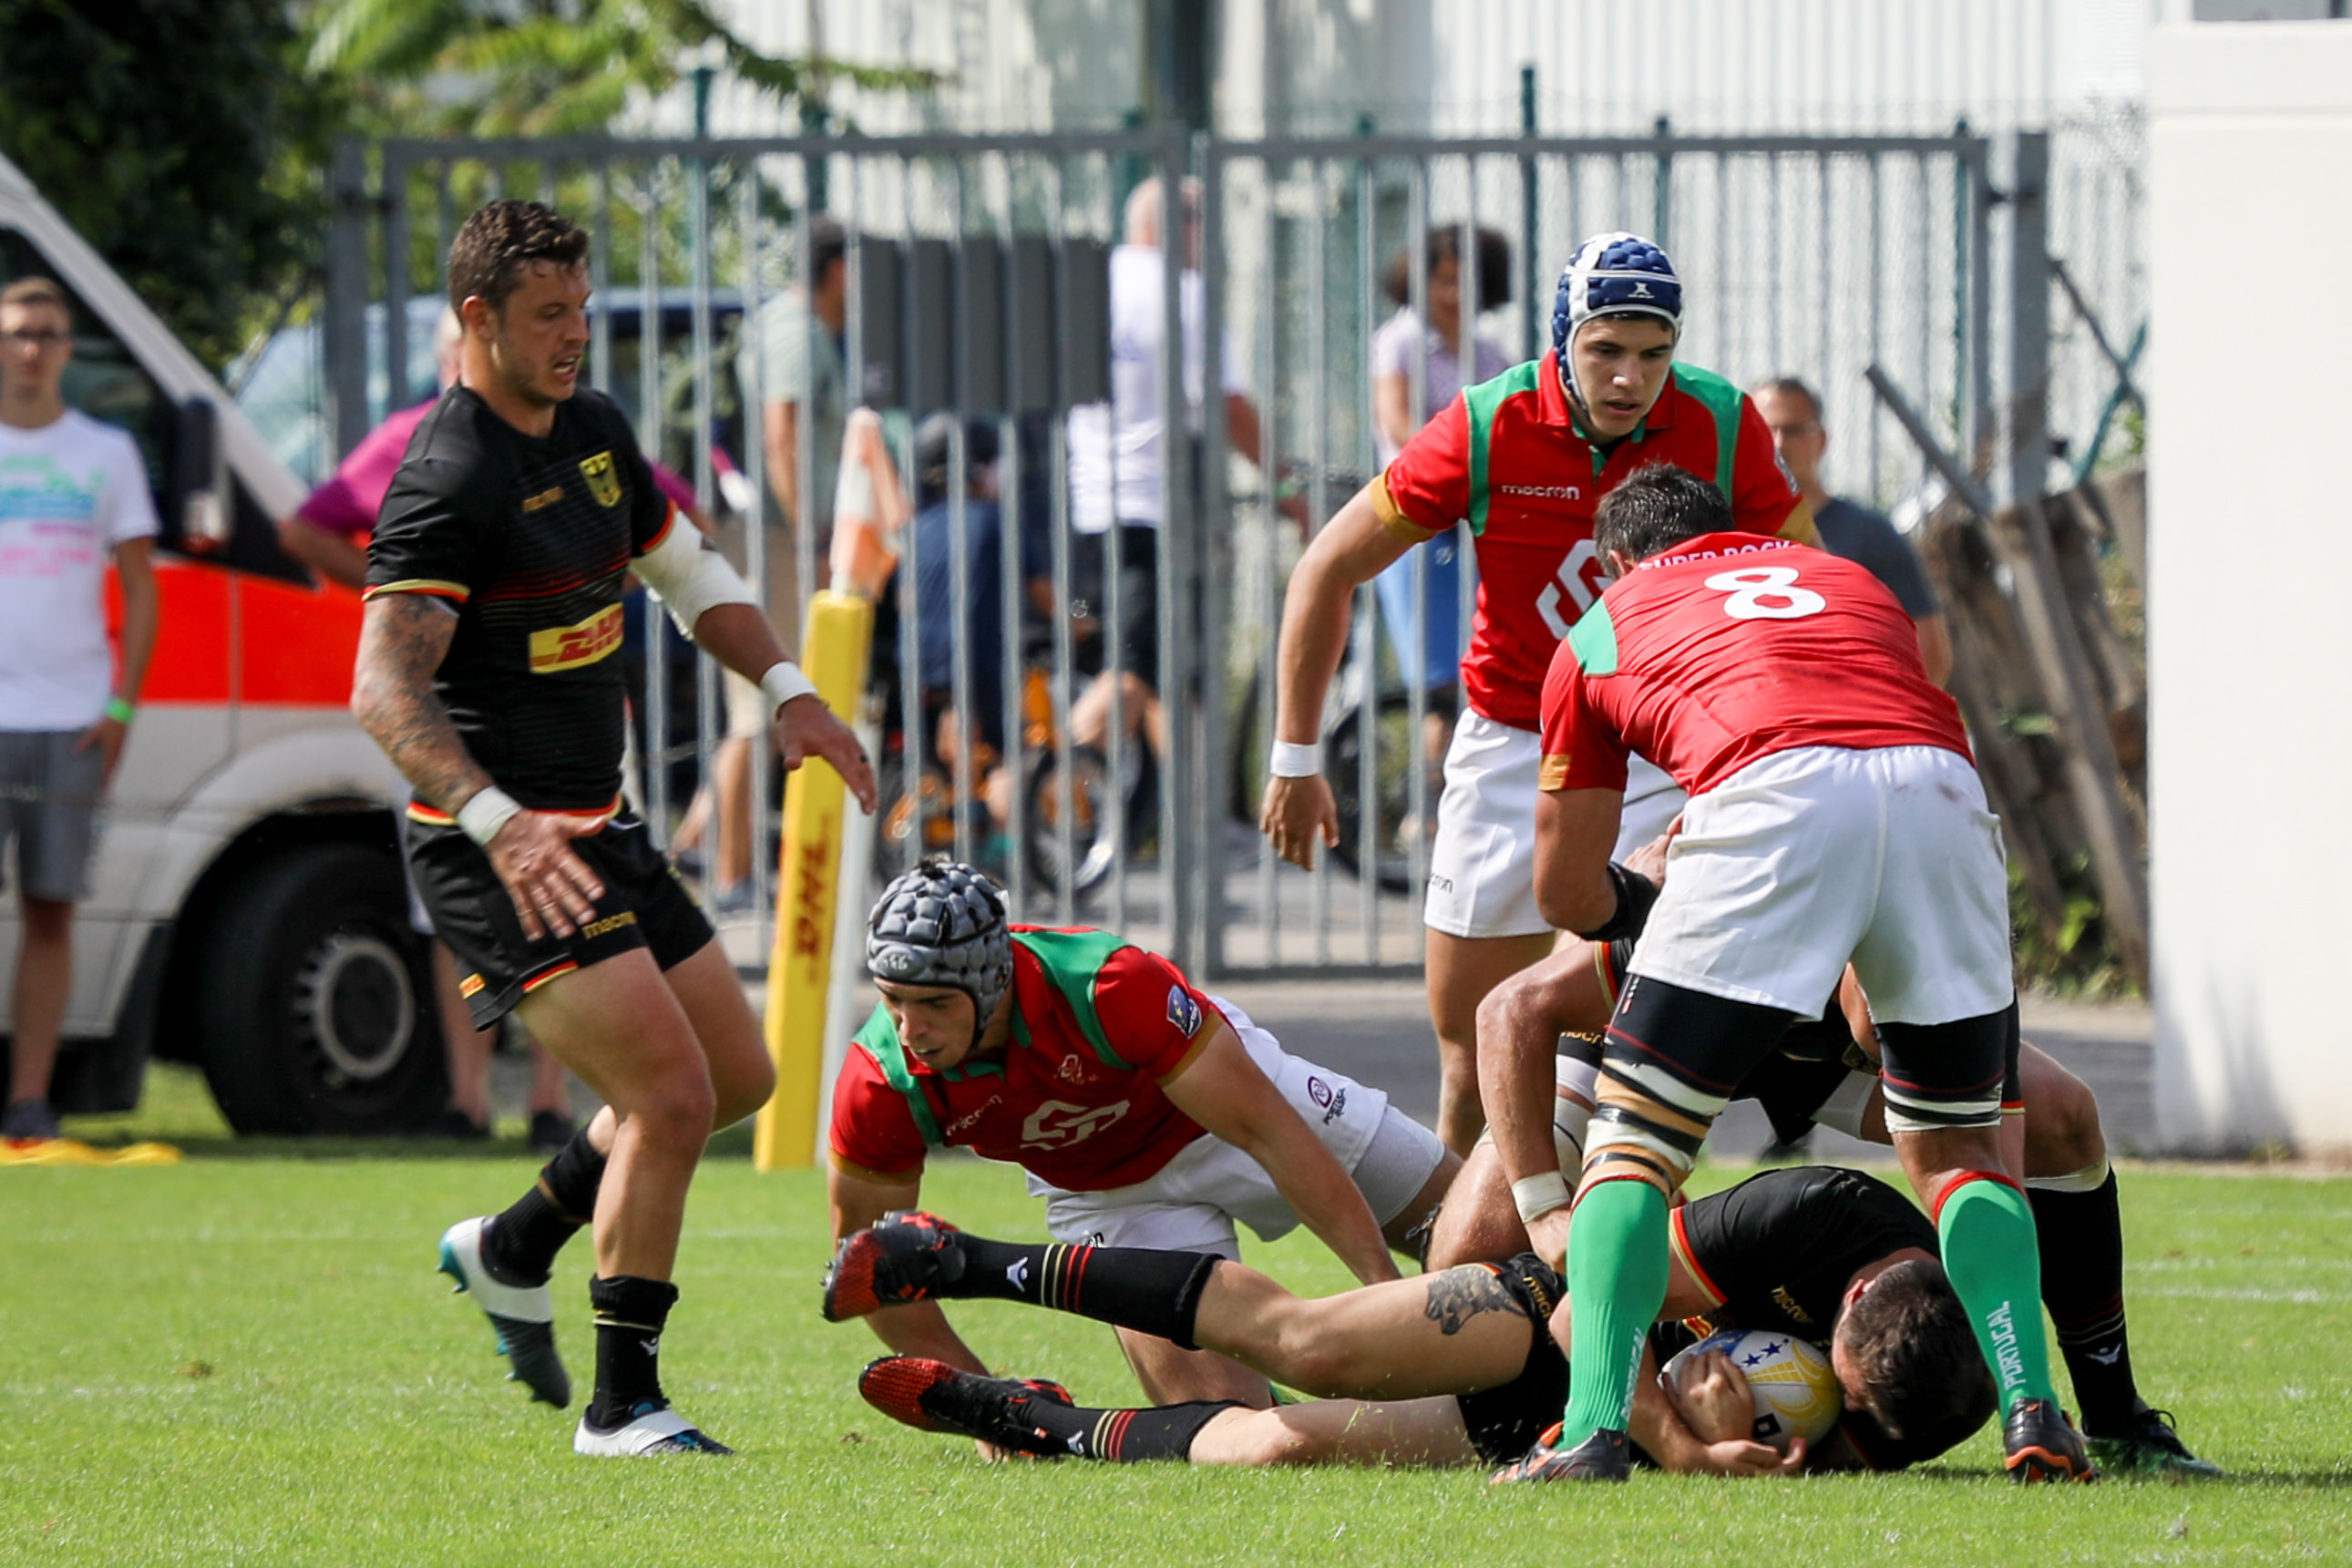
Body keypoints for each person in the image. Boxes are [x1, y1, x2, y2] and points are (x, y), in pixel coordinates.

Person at [352, 200, 875, 1457]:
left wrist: (792, 692)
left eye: (581, 309)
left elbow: (687, 573)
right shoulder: (448, 477)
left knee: (739, 1077)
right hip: (498, 852)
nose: (574, 335)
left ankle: (515, 1242)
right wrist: (500, 824)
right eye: (549, 315)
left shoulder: (591, 428)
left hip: (598, 827)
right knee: (670, 1094)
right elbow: (382, 691)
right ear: (477, 320)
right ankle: (622, 1405)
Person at [1499, 463, 2087, 1483]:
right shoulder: (1844, 574)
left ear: (1613, 563)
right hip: (1940, 791)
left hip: (1771, 791)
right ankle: (2033, 1410)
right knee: (1961, 1151)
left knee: (1633, 1149)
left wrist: (1635, 901)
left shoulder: (1601, 625)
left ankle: (1592, 1429)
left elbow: (1562, 890)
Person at [1260, 232, 1815, 1157]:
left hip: (1651, 755)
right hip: (1510, 744)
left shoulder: (1720, 420)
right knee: (1468, 1057)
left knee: (1614, 1056)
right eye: (1606, 349)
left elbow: (1807, 580)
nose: (1630, 377)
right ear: (1563, 340)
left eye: (1654, 353)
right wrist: (1294, 756)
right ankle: (1465, 1245)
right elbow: (1327, 566)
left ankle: (1603, 1239)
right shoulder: (1488, 421)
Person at [1458, 927, 2219, 1478]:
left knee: (2062, 1114)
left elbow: (1993, 1170)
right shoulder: (1718, 913)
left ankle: (2115, 1417)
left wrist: (1986, 1357)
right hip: (1679, 1016)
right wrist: (1545, 1210)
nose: (1917, 1026)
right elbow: (1508, 1010)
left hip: (1812, 1043)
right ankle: (1586, 1415)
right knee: (1475, 1254)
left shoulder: (1949, 940)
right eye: (1897, 1007)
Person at [837, 1164, 1993, 1476]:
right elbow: (1588, 1306)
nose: (1839, 1398)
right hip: (1558, 1322)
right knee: (1305, 1343)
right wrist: (1682, 1440)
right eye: (1837, 1371)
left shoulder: (1933, 1392)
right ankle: (963, 1258)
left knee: (1274, 1441)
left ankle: (1030, 1418)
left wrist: (1729, 1454)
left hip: (1591, 1434)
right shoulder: (1813, 1214)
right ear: (1853, 1297)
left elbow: (1815, 1468)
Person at [277, 305, 699, 1146]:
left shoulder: (568, 431)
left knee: (576, 894)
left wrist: (579, 584)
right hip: (445, 719)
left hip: (563, 716)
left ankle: (548, 1099)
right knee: (455, 913)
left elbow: (682, 532)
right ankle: (468, 1097)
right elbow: (303, 529)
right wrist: (406, 594)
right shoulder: (416, 441)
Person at [823, 858, 1457, 1409]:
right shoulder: (880, 1080)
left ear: (994, 978)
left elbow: (1267, 1132)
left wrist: (1390, 1305)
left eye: (935, 1003)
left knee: (1478, 1230)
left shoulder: (1107, 983)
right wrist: (984, 1400)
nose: (910, 1029)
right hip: (1112, 1196)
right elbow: (872, 1267)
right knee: (1226, 1421)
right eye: (892, 999)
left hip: (1232, 1117)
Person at [1064, 177, 1296, 773]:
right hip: (1150, 514)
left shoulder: (1090, 286)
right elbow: (1229, 409)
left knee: (1163, 675)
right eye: (1200, 223)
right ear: (1171, 224)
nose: (1207, 241)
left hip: (1086, 512)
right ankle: (1031, 789)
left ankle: (1195, 814)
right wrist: (1289, 490)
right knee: (1133, 674)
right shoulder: (1183, 295)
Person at [0, 277, 159, 1143]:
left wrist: (121, 707)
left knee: (51, 910)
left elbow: (142, 590)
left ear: (68, 350)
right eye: (18, 333)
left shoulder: (105, 452)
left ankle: (30, 1102)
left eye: (48, 334)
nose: (32, 349)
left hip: (71, 718)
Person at [697, 216, 850, 906]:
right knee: (759, 707)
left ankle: (702, 848)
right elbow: (781, 435)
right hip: (776, 537)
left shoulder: (789, 327)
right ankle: (732, 876)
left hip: (770, 534)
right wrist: (812, 535)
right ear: (838, 268)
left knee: (763, 701)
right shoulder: (795, 331)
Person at [1369, 226, 1512, 718]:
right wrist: (1459, 470)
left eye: (1466, 281)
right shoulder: (1398, 342)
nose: (1454, 294)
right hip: (1420, 521)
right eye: (1444, 280)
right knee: (1439, 685)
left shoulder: (1490, 351)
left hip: (1477, 524)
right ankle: (1433, 765)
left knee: (1484, 673)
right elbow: (1397, 422)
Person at [898, 414, 1050, 857]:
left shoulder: (917, 527)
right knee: (1010, 752)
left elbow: (905, 597)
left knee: (954, 726)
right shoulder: (997, 519)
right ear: (981, 469)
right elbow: (1042, 593)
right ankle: (1001, 843)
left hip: (918, 660)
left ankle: (960, 809)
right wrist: (1080, 622)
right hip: (976, 654)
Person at [1750, 376, 1950, 687]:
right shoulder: (1729, 532)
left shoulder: (1870, 534)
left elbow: (1930, 654)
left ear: (1821, 440)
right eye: (1765, 431)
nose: (1778, 444)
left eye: (1792, 430)